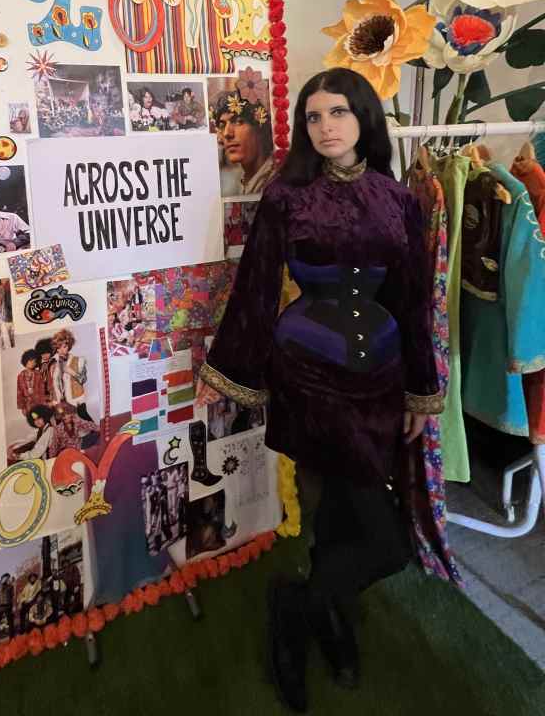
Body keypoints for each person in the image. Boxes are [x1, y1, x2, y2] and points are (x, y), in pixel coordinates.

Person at [197, 68, 442, 712]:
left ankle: (307, 605)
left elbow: (412, 301)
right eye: (313, 116)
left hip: (380, 379)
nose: (325, 127)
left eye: (338, 112)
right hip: (308, 374)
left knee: (344, 516)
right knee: (384, 541)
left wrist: (420, 389)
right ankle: (309, 606)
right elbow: (255, 286)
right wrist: (232, 373)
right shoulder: (287, 197)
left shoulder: (398, 199)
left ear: (364, 118)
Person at [211, 88, 274, 195]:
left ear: (259, 127)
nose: (227, 133)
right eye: (222, 125)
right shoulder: (244, 182)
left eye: (238, 122)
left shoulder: (276, 180)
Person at [16, 341, 55, 415]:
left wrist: (49, 400)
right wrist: (22, 407)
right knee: (33, 419)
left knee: (43, 418)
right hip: (28, 405)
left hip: (40, 402)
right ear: (25, 360)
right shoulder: (20, 376)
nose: (32, 363)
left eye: (34, 361)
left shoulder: (39, 373)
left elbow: (46, 387)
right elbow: (19, 392)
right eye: (30, 360)